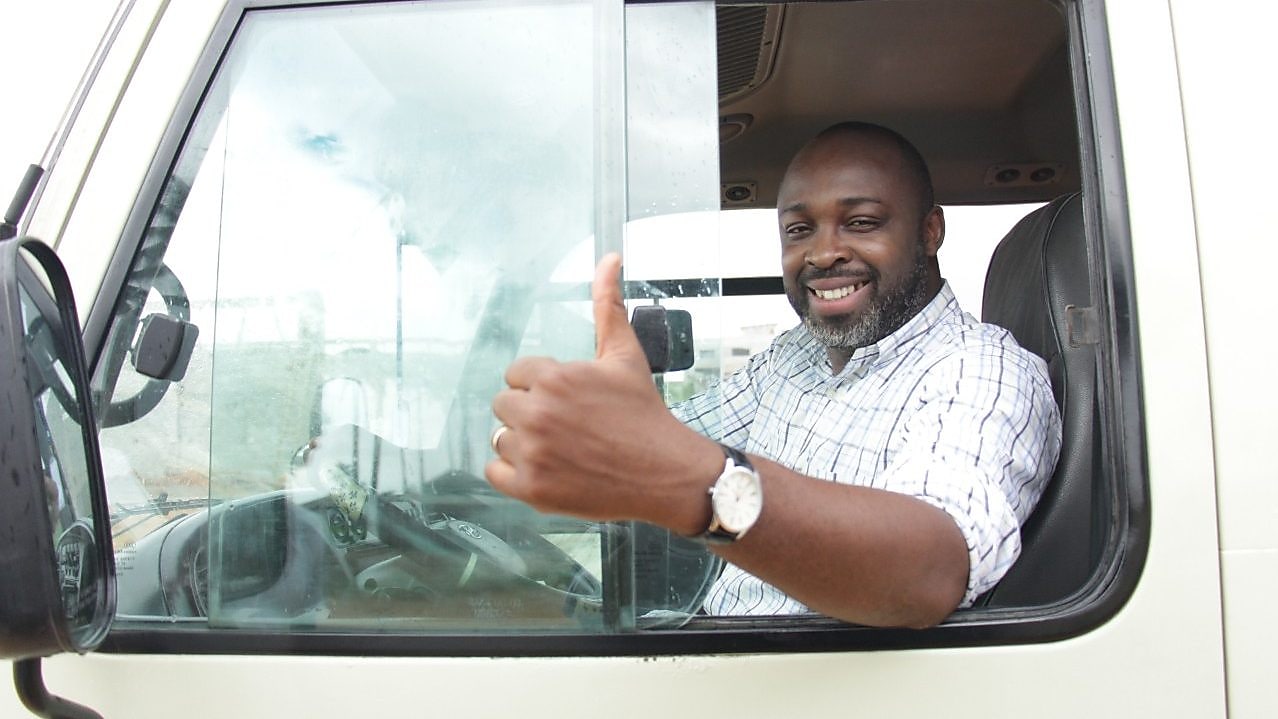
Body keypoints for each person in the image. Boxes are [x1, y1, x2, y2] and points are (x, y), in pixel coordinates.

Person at [486, 122, 1062, 628]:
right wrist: (574, 430)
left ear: (930, 232)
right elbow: (661, 439)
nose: (823, 253)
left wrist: (699, 486)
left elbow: (929, 570)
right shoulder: (792, 358)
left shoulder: (981, 372)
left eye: (861, 222)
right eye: (799, 230)